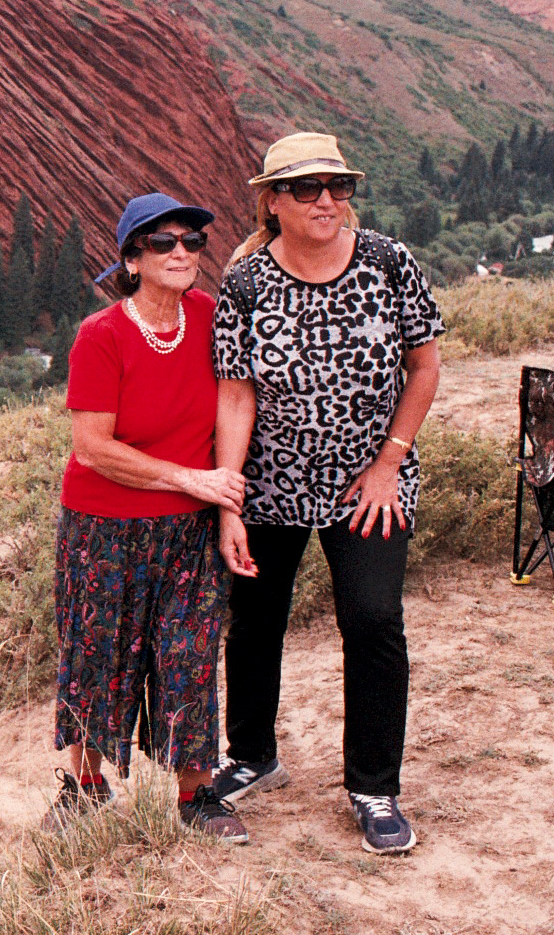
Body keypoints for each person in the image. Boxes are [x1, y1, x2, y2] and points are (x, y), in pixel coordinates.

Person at [209, 133, 442, 855]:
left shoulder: (388, 262)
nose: (326, 201)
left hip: (367, 486)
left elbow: (425, 366)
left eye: (338, 186)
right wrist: (229, 503)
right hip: (270, 485)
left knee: (374, 621)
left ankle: (374, 787)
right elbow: (236, 397)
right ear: (273, 202)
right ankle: (253, 756)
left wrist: (388, 462)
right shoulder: (245, 283)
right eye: (306, 188)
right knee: (255, 622)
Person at [45, 193, 251, 841]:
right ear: (132, 259)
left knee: (189, 655)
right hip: (102, 527)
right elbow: (92, 448)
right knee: (96, 656)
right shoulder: (101, 334)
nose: (181, 252)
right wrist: (193, 480)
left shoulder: (211, 317)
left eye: (192, 241)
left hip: (188, 529)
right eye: (163, 242)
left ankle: (198, 796)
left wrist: (224, 508)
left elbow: (232, 408)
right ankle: (84, 790)